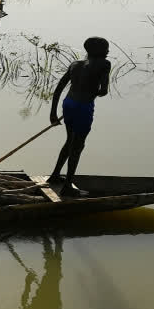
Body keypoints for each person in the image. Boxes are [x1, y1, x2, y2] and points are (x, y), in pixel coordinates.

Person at [48, 37, 111, 197]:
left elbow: (59, 88)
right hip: (83, 107)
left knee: (70, 140)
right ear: (99, 51)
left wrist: (53, 113)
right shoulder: (105, 64)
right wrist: (93, 92)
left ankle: (55, 175)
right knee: (78, 146)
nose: (108, 51)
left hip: (68, 104)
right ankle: (67, 186)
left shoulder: (75, 64)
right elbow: (104, 90)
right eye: (106, 49)